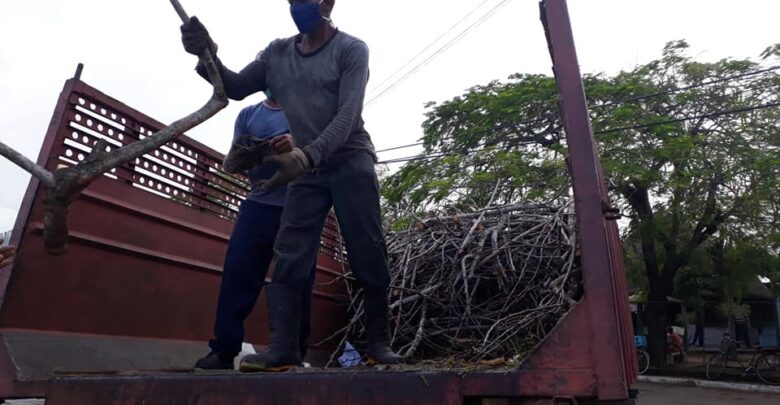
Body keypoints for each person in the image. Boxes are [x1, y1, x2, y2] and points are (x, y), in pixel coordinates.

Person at [180, 0, 403, 372]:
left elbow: (347, 116)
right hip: (307, 171)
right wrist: (206, 55)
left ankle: (378, 343)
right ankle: (284, 349)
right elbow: (234, 87)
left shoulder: (351, 49)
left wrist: (306, 154)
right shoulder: (277, 53)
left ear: (328, 3)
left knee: (367, 250)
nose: (298, 4)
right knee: (290, 256)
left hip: (350, 160)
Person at [193, 92, 316, 370]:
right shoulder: (248, 115)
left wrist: (296, 145)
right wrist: (257, 150)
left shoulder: (308, 109)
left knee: (298, 279)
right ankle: (223, 350)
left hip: (298, 207)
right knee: (237, 273)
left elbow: (324, 147)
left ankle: (294, 351)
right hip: (258, 204)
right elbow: (234, 161)